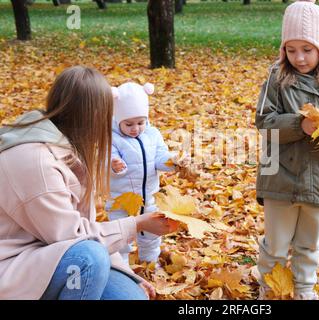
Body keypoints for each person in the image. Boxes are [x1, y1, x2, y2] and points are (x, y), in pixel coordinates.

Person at [0, 66, 178, 300]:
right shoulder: (37, 162)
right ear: (93, 115)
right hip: (15, 266)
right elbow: (74, 238)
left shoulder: (65, 146)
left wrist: (128, 275)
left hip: (50, 255)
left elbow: (86, 228)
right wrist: (136, 224)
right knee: (88, 259)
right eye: (107, 116)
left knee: (132, 296)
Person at [255, 0, 319, 300]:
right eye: (291, 49)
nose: (299, 58)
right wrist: (299, 125)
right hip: (281, 177)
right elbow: (264, 123)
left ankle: (304, 288)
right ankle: (270, 288)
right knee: (275, 244)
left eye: (307, 49)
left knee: (309, 242)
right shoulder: (276, 78)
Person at [107, 82, 189, 264]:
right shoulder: (112, 138)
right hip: (122, 200)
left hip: (149, 198)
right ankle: (122, 267)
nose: (135, 128)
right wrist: (114, 166)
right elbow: (107, 161)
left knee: (151, 235)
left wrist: (174, 160)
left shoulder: (152, 134)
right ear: (118, 119)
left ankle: (150, 264)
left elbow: (160, 158)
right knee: (121, 237)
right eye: (129, 124)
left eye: (140, 122)